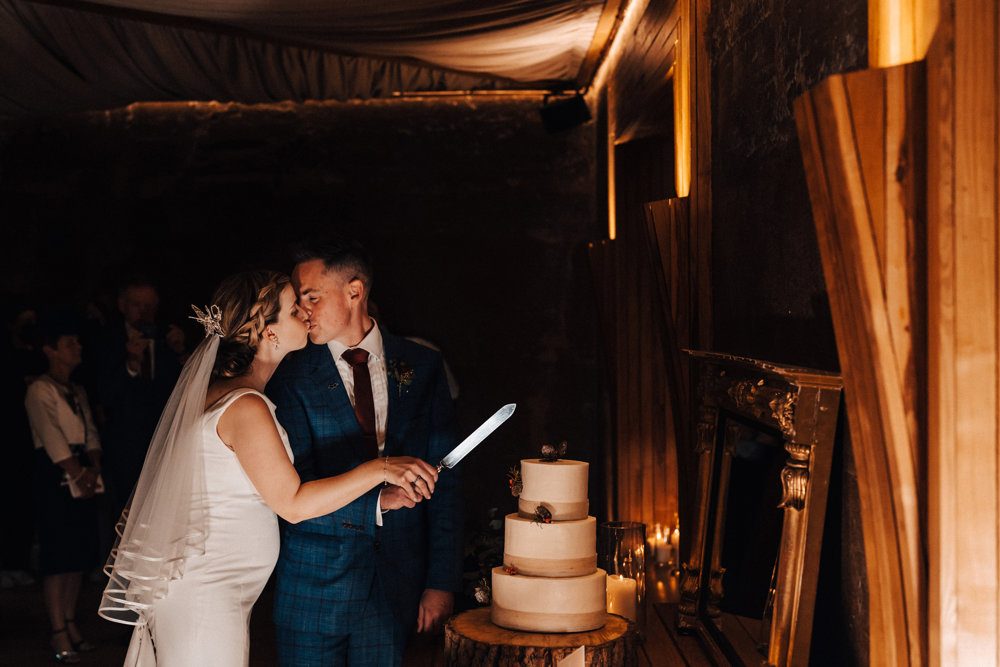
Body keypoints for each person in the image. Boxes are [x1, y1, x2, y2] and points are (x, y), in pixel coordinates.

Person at [99, 270, 439, 667]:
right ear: (268, 333)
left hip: (212, 591)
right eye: (295, 309)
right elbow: (292, 502)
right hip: (208, 596)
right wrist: (381, 468)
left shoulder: (231, 394)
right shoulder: (245, 406)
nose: (307, 314)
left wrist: (378, 497)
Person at [267, 239, 463, 666]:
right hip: (313, 588)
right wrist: (376, 502)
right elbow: (290, 492)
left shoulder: (422, 365)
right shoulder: (289, 374)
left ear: (354, 291)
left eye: (312, 297)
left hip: (393, 589)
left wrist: (440, 583)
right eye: (299, 300)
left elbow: (445, 485)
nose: (302, 311)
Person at [24, 310, 104, 664]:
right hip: (57, 475)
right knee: (58, 557)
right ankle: (57, 627)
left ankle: (70, 621)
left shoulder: (77, 389)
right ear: (50, 350)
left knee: (77, 554)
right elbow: (53, 439)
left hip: (83, 472)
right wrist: (79, 473)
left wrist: (94, 468)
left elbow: (90, 433)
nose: (77, 348)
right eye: (69, 344)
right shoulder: (39, 389)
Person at [90, 276, 187, 518]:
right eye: (137, 305)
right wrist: (131, 364)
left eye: (150, 305)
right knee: (126, 512)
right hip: (124, 447)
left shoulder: (168, 338)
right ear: (122, 305)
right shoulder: (107, 341)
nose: (145, 312)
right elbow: (104, 396)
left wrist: (181, 352)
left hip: (165, 441)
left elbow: (188, 388)